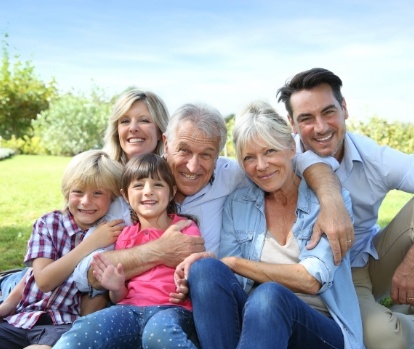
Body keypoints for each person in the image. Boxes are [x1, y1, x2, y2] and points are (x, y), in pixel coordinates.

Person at [178, 100, 363, 349]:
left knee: (269, 295)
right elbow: (229, 279)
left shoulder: (329, 204)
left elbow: (311, 280)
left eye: (269, 151)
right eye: (249, 158)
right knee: (205, 269)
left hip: (319, 327)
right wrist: (213, 263)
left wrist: (234, 263)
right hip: (258, 325)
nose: (261, 166)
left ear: (290, 147)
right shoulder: (239, 203)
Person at [276, 67, 414, 349]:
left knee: (388, 339)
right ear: (291, 123)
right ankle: (397, 312)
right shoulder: (278, 160)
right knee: (382, 337)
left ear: (344, 108)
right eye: (306, 118)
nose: (321, 127)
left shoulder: (376, 158)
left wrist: (411, 262)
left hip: (361, 266)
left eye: (328, 112)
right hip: (308, 276)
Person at [54, 153, 201, 349]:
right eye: (138, 186)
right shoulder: (125, 235)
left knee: (158, 335)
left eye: (158, 185)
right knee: (86, 328)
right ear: (125, 195)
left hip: (172, 309)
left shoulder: (185, 227)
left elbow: (197, 269)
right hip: (129, 310)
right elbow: (120, 295)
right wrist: (115, 287)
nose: (148, 192)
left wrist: (186, 286)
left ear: (172, 191)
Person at [0, 150, 124, 349]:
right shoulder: (49, 224)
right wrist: (6, 306)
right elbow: (42, 279)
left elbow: (96, 296)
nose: (86, 201)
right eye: (78, 192)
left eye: (98, 193)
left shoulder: (111, 234)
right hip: (22, 318)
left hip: (62, 325)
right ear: (67, 192)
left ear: (113, 198)